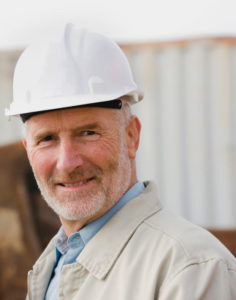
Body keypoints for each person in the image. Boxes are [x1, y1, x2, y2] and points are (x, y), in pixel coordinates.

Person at [6, 24, 236, 300]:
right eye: (46, 139)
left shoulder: (190, 268)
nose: (67, 163)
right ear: (28, 150)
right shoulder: (52, 266)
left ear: (131, 136)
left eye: (88, 133)